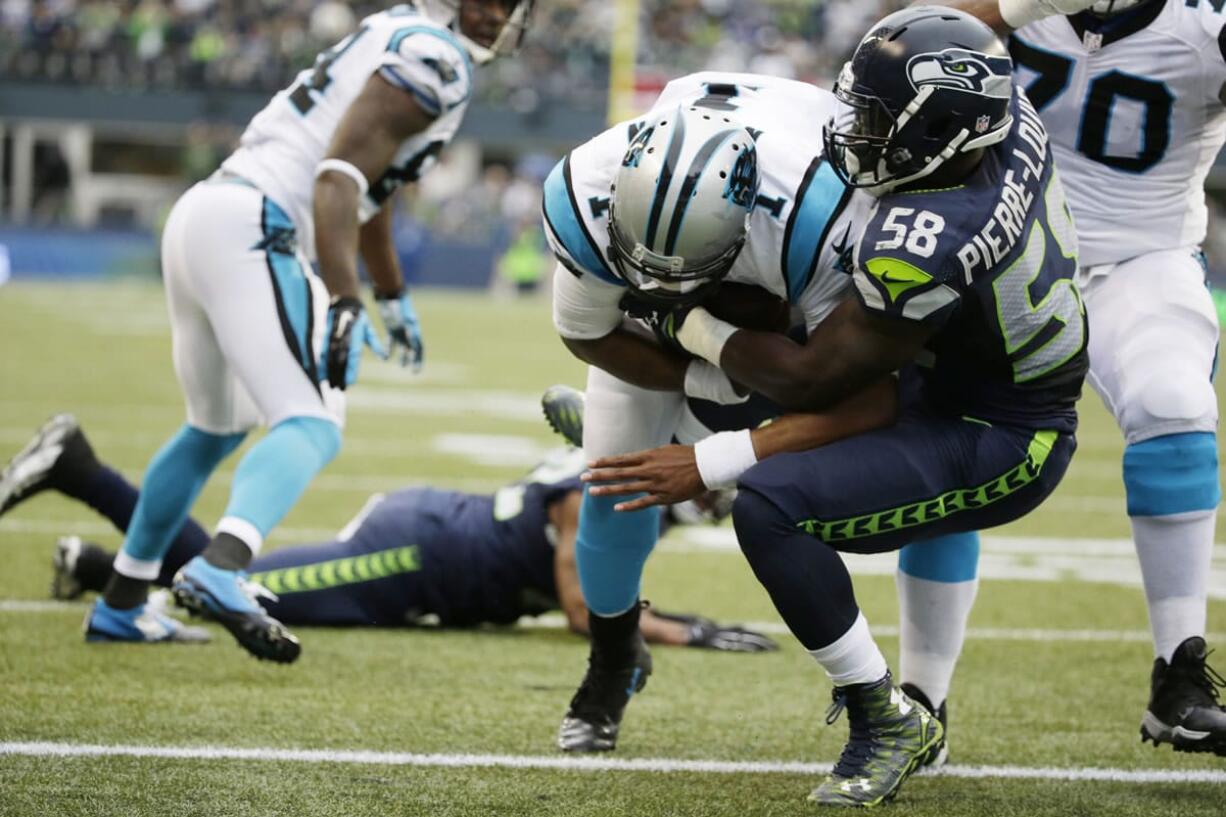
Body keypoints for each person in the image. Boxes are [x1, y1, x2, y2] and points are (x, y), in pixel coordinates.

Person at [583, 8, 1089, 806]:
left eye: (877, 119)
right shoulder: (1004, 112)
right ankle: (698, 428)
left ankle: (883, 713)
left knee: (773, 505)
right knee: (779, 380)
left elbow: (818, 380)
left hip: (998, 431)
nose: (853, 129)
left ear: (947, 127)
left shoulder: (927, 238)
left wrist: (689, 323)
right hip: (956, 378)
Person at [75, 1, 534, 663]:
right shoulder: (438, 58)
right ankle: (221, 563)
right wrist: (347, 299)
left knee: (213, 428)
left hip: (209, 212)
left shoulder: (393, 32)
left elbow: (367, 188)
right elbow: (339, 176)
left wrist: (393, 295)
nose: (496, 15)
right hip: (258, 224)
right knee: (313, 418)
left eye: (508, 3)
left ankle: (121, 599)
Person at [543, 70, 910, 755]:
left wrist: (737, 415)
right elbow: (587, 333)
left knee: (876, 432)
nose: (661, 284)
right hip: (666, 327)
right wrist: (706, 381)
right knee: (612, 486)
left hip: (784, 305)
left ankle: (924, 691)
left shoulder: (817, 213)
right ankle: (613, 655)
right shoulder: (585, 190)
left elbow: (850, 385)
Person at [896, 0, 1226, 758]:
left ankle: (1178, 676)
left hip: (1139, 262)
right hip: (1002, 257)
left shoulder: (1203, 23)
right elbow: (910, 37)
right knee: (948, 443)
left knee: (1173, 402)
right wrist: (1022, 5)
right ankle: (921, 700)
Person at [0, 414, 775, 652]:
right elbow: (583, 611)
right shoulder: (596, 493)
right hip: (413, 553)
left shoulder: (620, 478)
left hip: (430, 547)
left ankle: (104, 563)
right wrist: (686, 630)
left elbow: (598, 590)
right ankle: (80, 471)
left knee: (236, 582)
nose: (711, 499)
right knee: (239, 587)